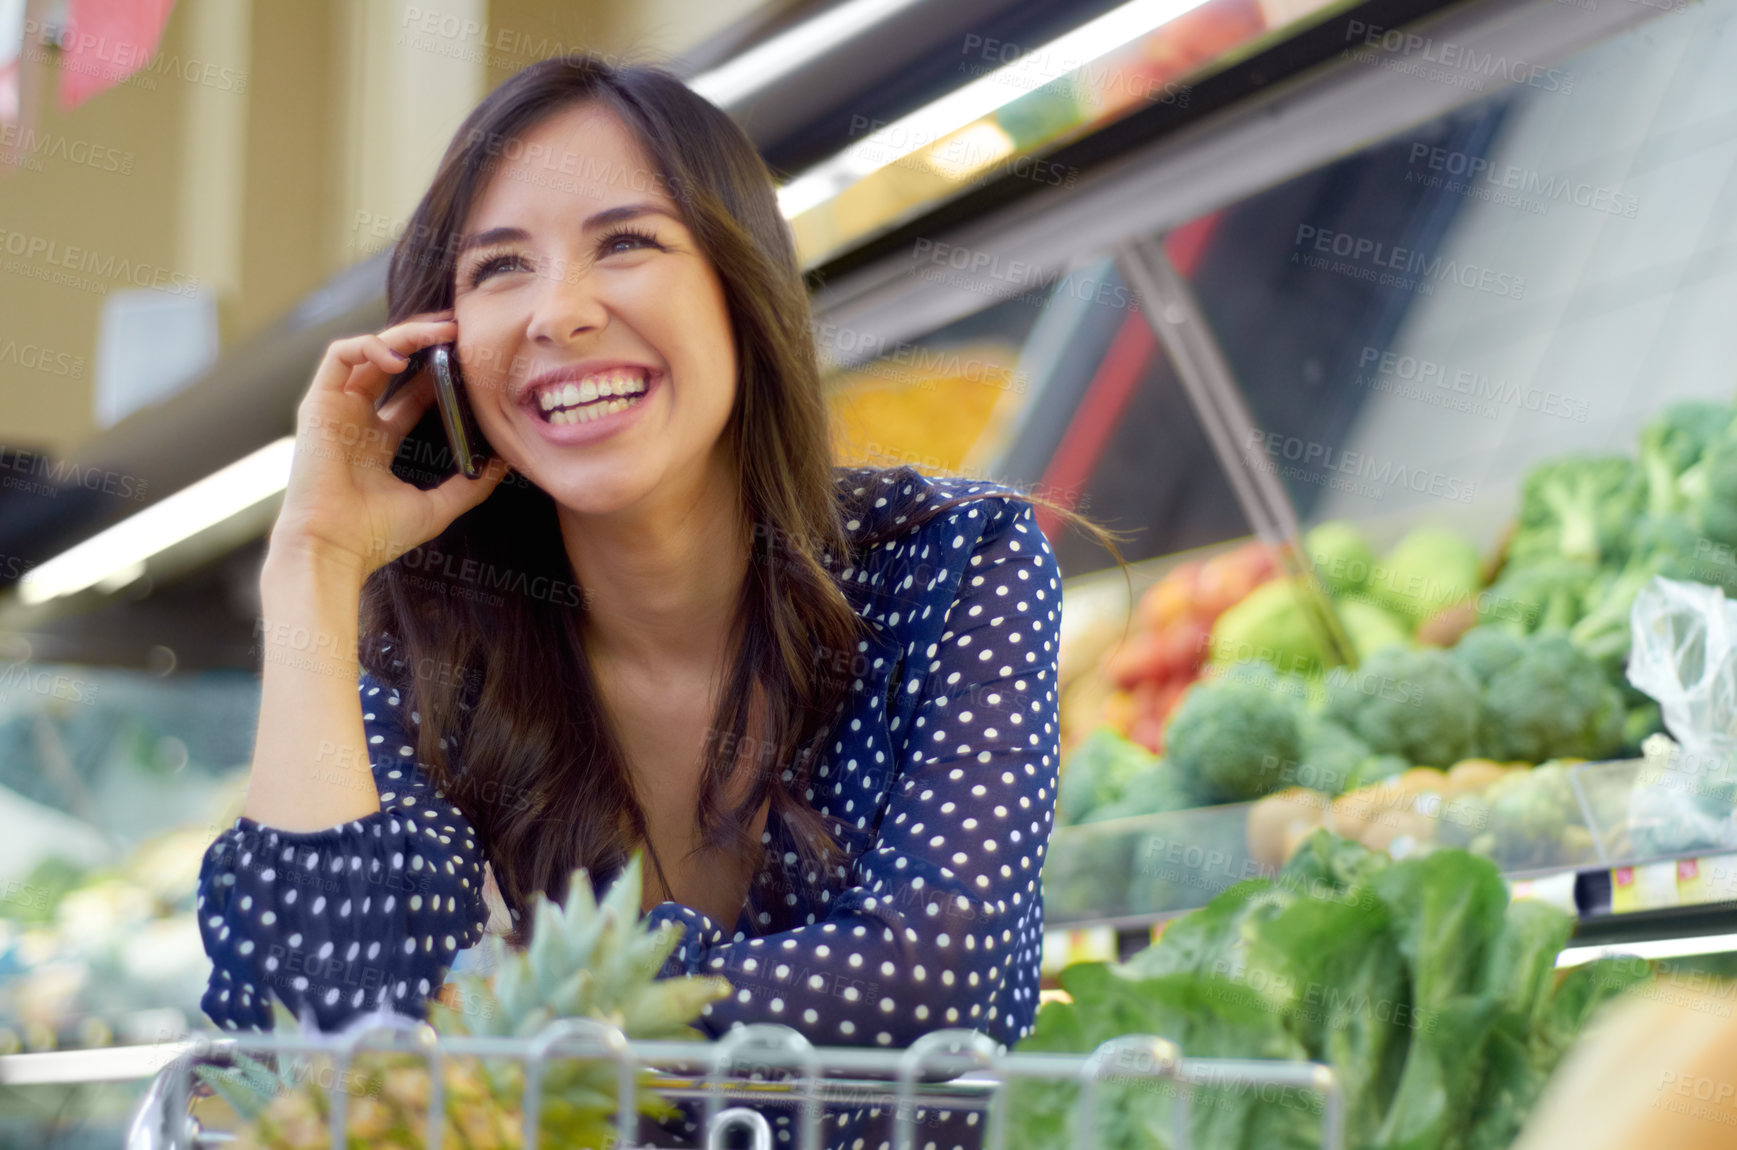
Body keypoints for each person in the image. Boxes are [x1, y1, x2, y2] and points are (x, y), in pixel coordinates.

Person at [195, 49, 1103, 1143]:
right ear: (443, 353)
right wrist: (313, 557)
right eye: (498, 270)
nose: (561, 313)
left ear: (739, 285)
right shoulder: (431, 643)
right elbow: (323, 1053)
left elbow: (936, 979)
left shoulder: (953, 565)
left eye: (626, 242)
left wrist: (503, 1035)